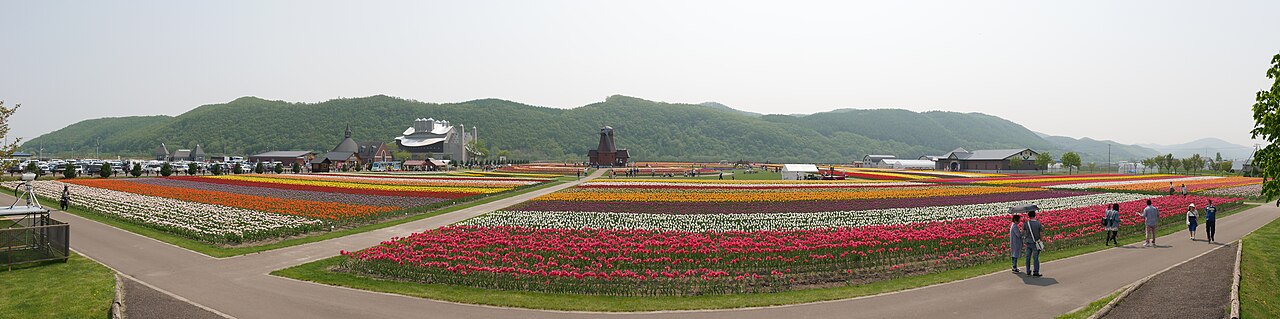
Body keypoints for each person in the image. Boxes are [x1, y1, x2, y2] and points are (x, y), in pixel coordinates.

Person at [1022, 211, 1044, 277]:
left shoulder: (1026, 223)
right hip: (1035, 243)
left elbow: (1022, 232)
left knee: (1028, 257)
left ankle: (1028, 271)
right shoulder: (1038, 223)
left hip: (1028, 242)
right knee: (1036, 258)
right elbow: (1041, 234)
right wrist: (1041, 241)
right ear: (1035, 215)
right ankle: (1036, 272)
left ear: (1028, 216)